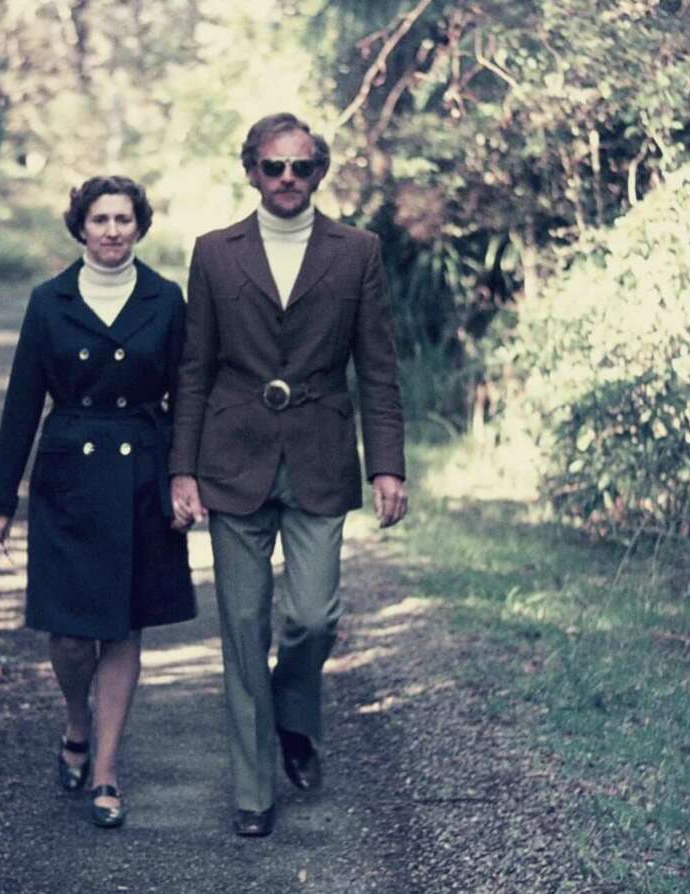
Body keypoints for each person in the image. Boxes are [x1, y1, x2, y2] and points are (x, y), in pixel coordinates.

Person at [168, 112, 408, 837]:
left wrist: (388, 465)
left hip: (320, 457)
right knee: (243, 629)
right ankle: (252, 791)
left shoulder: (356, 250)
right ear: (251, 171)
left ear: (318, 173)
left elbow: (378, 366)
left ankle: (294, 717)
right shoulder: (214, 253)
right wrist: (183, 470)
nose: (287, 181)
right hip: (231, 459)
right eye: (273, 167)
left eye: (301, 168)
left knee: (310, 617)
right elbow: (194, 369)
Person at [0, 175, 196, 829]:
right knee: (72, 633)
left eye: (123, 219)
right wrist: (0, 497)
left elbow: (188, 395)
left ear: (140, 226)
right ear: (80, 228)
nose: (111, 231)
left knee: (124, 624)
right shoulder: (50, 301)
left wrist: (185, 478)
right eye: (100, 219)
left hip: (141, 470)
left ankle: (105, 770)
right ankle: (77, 718)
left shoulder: (166, 298)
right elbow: (23, 401)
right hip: (68, 475)